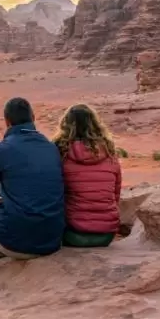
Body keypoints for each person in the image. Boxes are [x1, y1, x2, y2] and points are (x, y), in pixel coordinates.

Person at [0, 97, 65, 279]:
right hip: (51, 242)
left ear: (7, 121)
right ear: (33, 118)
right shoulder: (52, 148)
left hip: (13, 243)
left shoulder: (1, 149)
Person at [54, 104, 121, 248]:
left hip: (73, 234)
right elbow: (116, 194)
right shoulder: (109, 152)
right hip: (106, 234)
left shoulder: (60, 153)